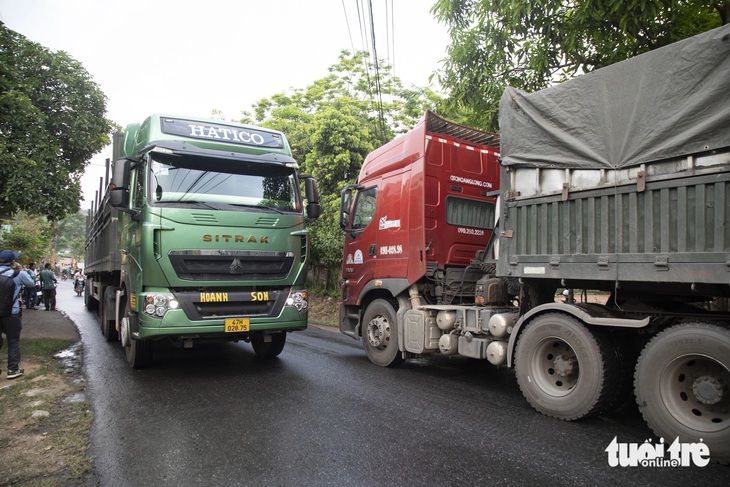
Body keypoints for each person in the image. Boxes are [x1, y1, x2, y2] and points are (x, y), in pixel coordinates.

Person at [0, 250, 35, 379]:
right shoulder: (18, 274)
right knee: (13, 341)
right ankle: (12, 370)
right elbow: (31, 284)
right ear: (13, 261)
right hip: (11, 313)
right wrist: (21, 270)